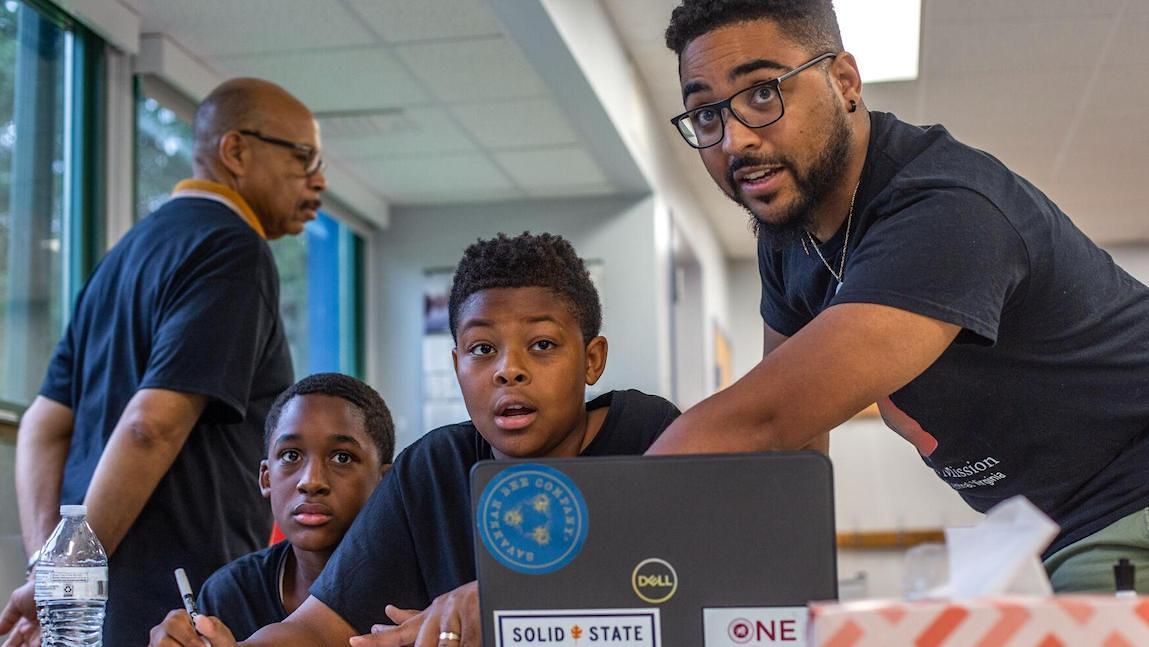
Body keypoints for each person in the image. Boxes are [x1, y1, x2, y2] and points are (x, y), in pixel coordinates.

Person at [647, 0, 1149, 593]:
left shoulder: (944, 207)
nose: (734, 141)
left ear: (844, 81)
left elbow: (764, 419)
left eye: (762, 93)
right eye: (705, 114)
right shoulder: (789, 239)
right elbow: (793, 445)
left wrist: (602, 528)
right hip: (1065, 523)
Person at [147, 232, 682, 646]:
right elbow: (317, 627)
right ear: (456, 366)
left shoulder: (651, 435)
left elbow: (681, 583)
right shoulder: (433, 469)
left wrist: (507, 605)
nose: (508, 371)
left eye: (541, 344)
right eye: (481, 350)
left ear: (592, 360)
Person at [0, 77, 327, 644]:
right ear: (236, 151)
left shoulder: (121, 256)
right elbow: (151, 425)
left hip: (97, 612)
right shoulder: (233, 249)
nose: (318, 180)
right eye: (304, 157)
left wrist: (53, 572)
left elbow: (43, 425)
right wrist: (67, 572)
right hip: (177, 605)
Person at [187, 373, 395, 640]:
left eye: (342, 457)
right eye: (291, 455)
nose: (311, 481)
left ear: (385, 483)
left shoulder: (410, 591)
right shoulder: (231, 594)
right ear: (266, 478)